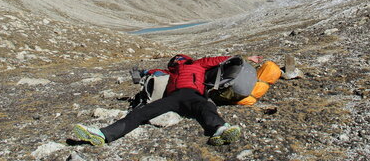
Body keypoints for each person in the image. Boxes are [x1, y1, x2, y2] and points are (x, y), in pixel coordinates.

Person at [74, 54, 263, 146]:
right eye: (174, 61)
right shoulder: (169, 72)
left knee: (206, 108)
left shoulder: (199, 63)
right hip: (174, 98)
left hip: (192, 94)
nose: (176, 62)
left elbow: (221, 60)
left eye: (178, 60)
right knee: (141, 113)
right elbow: (152, 73)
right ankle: (102, 134)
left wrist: (247, 58)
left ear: (186, 59)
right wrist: (140, 74)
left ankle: (220, 130)